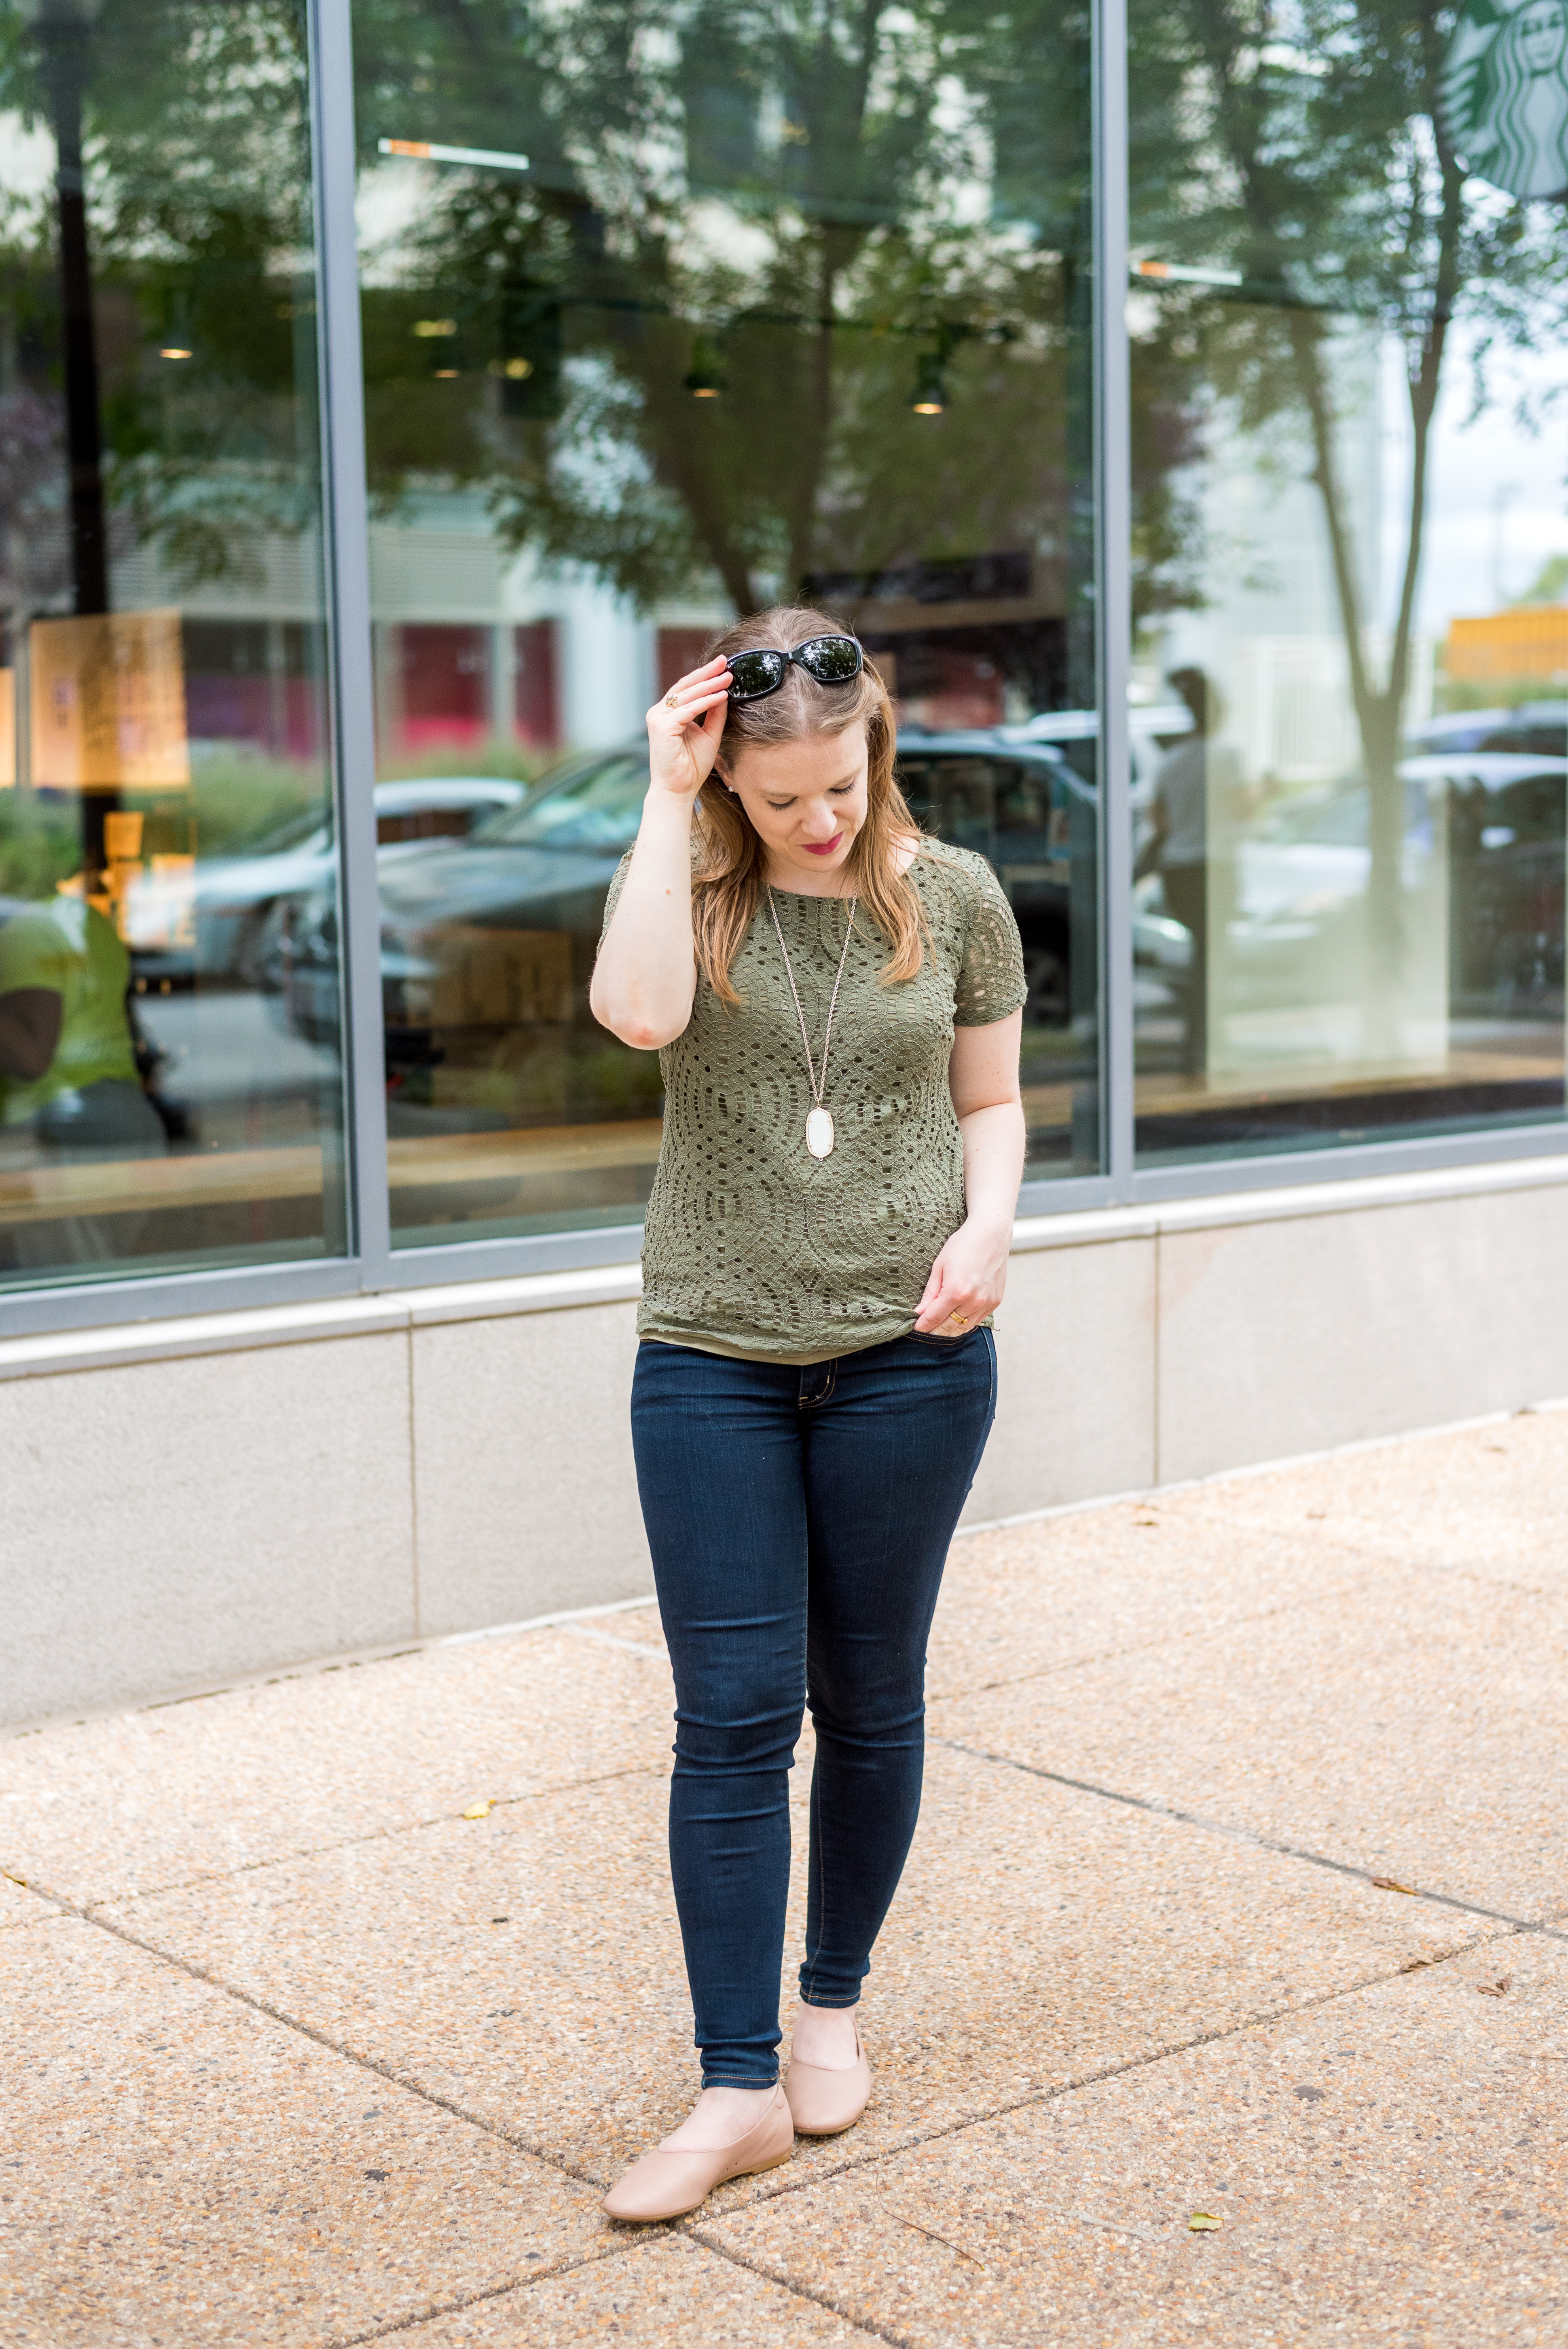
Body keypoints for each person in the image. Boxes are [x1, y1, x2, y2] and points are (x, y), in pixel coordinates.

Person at [589, 605, 1027, 2222]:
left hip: (912, 1354)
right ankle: (733, 2083)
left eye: (840, 784)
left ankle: (828, 2002)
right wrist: (661, 798)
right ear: (727, 780)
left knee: (872, 1692)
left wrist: (990, 1226)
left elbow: (990, 1098)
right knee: (732, 1711)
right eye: (783, 799)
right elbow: (636, 1019)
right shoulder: (688, 892)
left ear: (874, 746)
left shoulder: (958, 898)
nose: (820, 819)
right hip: (711, 1354)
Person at [1146, 666, 1245, 1077]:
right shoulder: (1227, 756)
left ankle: (1197, 1048)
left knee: (1199, 960)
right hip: (1214, 866)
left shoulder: (1171, 761)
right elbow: (1239, 809)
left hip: (1178, 871)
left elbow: (1159, 820)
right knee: (1212, 960)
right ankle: (1205, 1049)